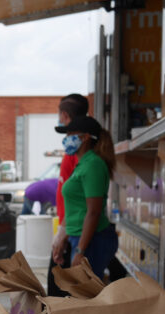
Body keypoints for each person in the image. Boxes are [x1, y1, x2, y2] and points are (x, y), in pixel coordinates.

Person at [53, 116, 118, 279]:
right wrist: (63, 237)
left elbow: (93, 212)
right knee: (81, 294)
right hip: (80, 238)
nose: (66, 139)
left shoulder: (93, 165)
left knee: (86, 296)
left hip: (91, 241)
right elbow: (75, 208)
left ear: (85, 137)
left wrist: (81, 251)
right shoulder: (82, 164)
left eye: (70, 135)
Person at [47, 94, 88, 296]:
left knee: (58, 293)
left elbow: (80, 197)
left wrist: (62, 232)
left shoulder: (78, 151)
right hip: (70, 228)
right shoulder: (75, 149)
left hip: (73, 230)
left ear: (63, 115)